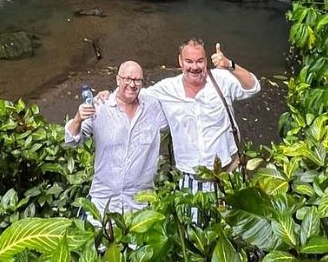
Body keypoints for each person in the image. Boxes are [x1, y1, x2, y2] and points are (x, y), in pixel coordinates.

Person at [97, 38, 260, 193]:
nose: (194, 67)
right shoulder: (168, 88)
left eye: (199, 61)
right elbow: (135, 94)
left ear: (206, 61)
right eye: (189, 61)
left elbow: (253, 87)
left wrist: (230, 64)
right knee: (191, 222)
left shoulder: (221, 79)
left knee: (231, 221)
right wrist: (110, 95)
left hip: (228, 172)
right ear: (180, 61)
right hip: (191, 178)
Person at [64, 60, 167, 222]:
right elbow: (71, 140)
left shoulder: (154, 108)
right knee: (100, 247)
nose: (132, 84)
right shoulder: (100, 106)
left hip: (140, 204)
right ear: (118, 79)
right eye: (127, 79)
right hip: (103, 202)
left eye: (137, 80)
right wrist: (77, 119)